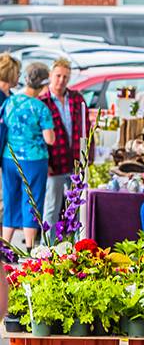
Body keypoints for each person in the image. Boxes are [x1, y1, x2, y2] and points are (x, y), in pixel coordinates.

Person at [2, 63, 55, 247]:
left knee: (11, 200)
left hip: (9, 157)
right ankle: (30, 248)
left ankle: (4, 245)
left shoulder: (10, 101)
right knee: (32, 202)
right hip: (34, 160)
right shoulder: (40, 108)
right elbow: (50, 139)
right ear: (44, 84)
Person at [38, 57, 87, 233]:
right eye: (58, 75)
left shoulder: (77, 98)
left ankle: (75, 248)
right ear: (51, 75)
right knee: (51, 208)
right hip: (55, 163)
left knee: (76, 210)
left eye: (65, 77)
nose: (61, 80)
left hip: (75, 163)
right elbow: (38, 137)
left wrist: (87, 158)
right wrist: (46, 163)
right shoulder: (43, 101)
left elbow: (85, 129)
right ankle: (48, 249)